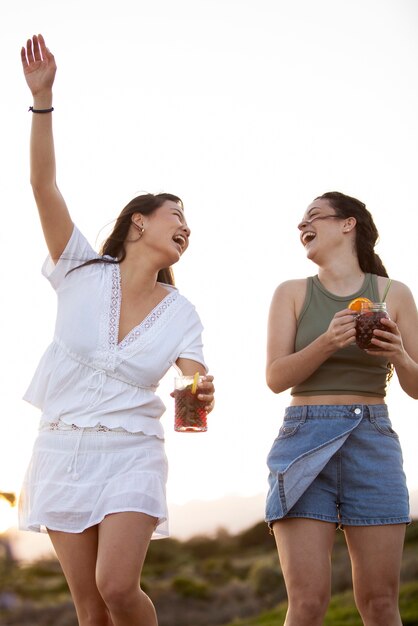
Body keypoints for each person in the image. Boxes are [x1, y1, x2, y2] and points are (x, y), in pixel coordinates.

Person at [19, 34, 215, 626]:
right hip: (59, 447)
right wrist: (43, 100)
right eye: (176, 215)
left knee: (118, 587)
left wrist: (201, 392)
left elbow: (194, 377)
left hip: (132, 451)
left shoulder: (180, 310)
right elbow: (43, 186)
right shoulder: (79, 268)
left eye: (188, 222)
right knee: (89, 607)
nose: (185, 227)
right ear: (139, 222)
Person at [265, 191, 418, 626]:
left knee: (380, 603)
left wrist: (401, 357)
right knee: (308, 604)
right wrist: (327, 342)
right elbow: (276, 377)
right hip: (303, 438)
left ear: (348, 224)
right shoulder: (292, 293)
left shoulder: (394, 293)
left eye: (313, 216)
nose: (302, 227)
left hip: (373, 438)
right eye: (300, 223)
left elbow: (416, 386)